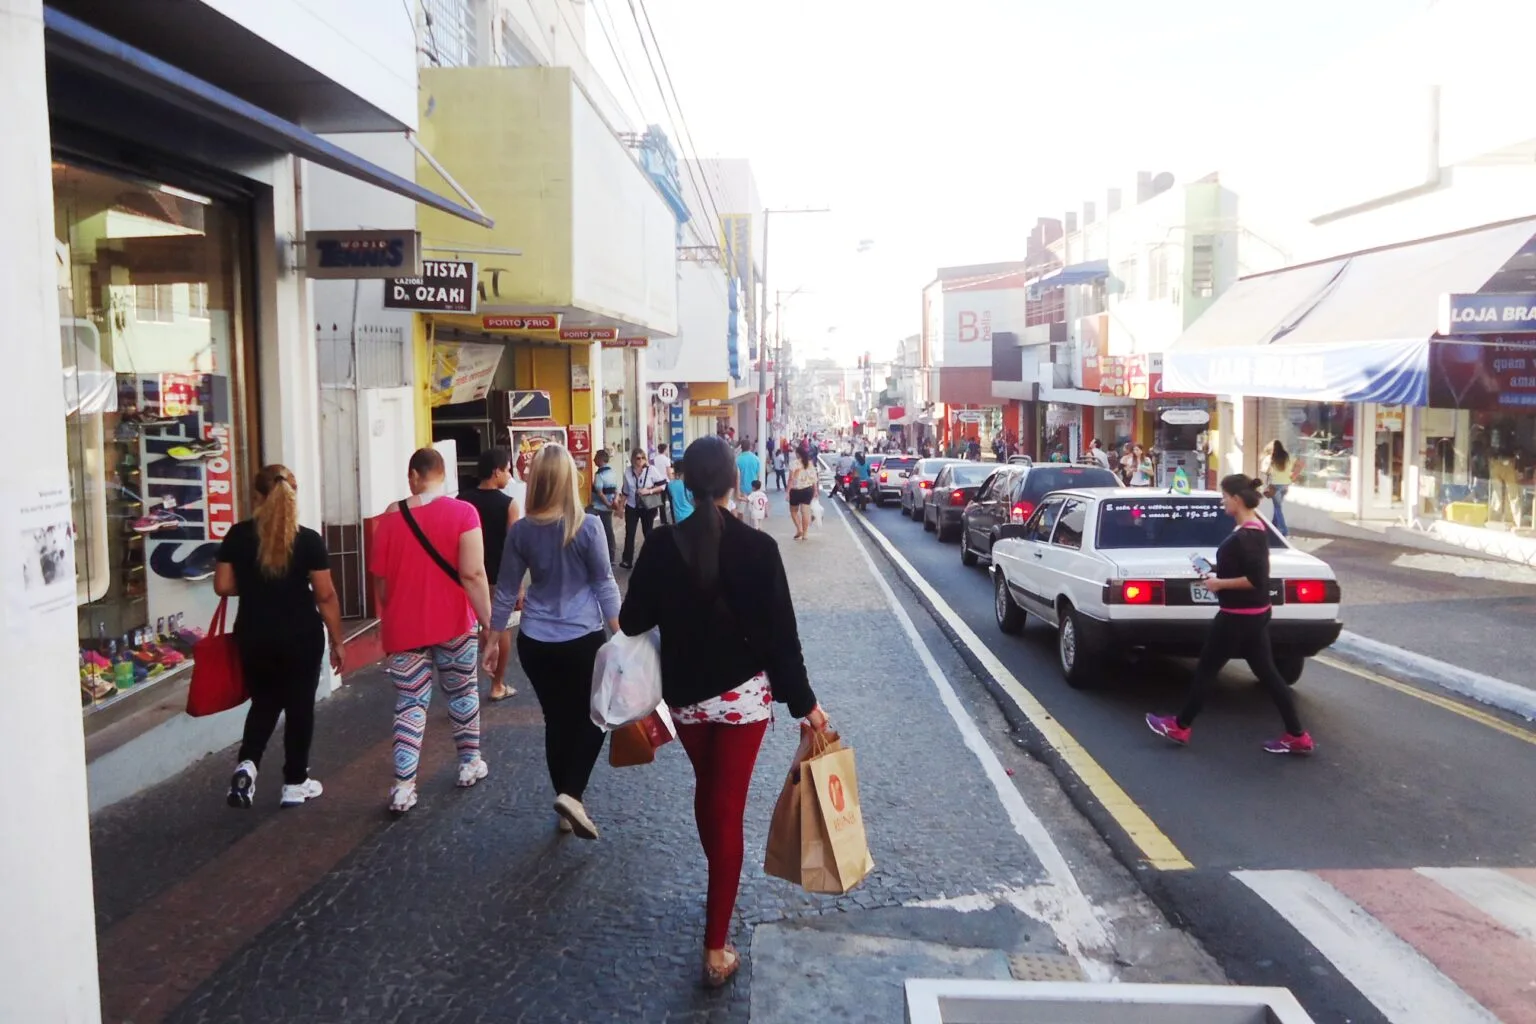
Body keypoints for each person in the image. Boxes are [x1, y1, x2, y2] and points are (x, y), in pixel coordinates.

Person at [618, 436, 829, 988]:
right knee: (727, 806)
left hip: (684, 700)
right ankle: (716, 946)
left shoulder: (662, 546)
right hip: (742, 701)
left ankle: (719, 889)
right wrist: (805, 705)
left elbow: (631, 620)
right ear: (735, 482)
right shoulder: (759, 550)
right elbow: (784, 639)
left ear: (685, 483)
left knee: (710, 793)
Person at [487, 444, 621, 839]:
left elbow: (507, 589)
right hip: (582, 638)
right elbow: (604, 584)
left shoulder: (522, 531)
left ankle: (565, 805)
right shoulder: (587, 527)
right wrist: (622, 634)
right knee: (598, 715)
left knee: (557, 720)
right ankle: (572, 794)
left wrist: (494, 638)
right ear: (569, 481)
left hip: (535, 642)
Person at [1145, 474, 1315, 755]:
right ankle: (1297, 735)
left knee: (1206, 671)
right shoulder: (1253, 530)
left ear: (1236, 500)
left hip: (1237, 617)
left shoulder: (1247, 536)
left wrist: (1218, 583)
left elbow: (1257, 579)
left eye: (1224, 496)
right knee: (1269, 675)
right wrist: (1215, 572)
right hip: (1253, 614)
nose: (1222, 501)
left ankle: (1181, 726)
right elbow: (1245, 571)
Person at [370, 448, 495, 815]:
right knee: (461, 693)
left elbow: (380, 584)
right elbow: (473, 575)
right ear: (445, 476)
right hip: (454, 623)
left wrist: (395, 609)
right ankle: (470, 763)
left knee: (410, 703)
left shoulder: (388, 521)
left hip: (404, 629)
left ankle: (403, 786)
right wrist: (490, 624)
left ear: (413, 476)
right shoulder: (464, 514)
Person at [216, 465, 345, 809]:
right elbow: (326, 595)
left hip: (254, 633)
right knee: (300, 705)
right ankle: (295, 782)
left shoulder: (237, 535)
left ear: (256, 497)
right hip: (300, 633)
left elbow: (223, 585)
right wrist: (338, 639)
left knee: (265, 702)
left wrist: (257, 583)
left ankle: (247, 765)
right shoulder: (307, 540)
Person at [460, 448, 521, 702]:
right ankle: (497, 685)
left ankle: (465, 686)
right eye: (507, 469)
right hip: (497, 576)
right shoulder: (509, 504)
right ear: (496, 472)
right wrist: (518, 585)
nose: (509, 475)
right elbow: (514, 547)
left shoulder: (461, 501)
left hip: (465, 573)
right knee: (500, 627)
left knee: (466, 629)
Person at [619, 448, 666, 569]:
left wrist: (649, 491)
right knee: (630, 533)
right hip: (632, 505)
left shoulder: (651, 470)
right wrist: (620, 507)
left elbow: (663, 485)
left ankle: (651, 559)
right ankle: (627, 560)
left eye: (642, 458)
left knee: (648, 532)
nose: (640, 461)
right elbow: (625, 491)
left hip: (647, 506)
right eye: (637, 458)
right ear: (633, 459)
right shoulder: (628, 472)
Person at [589, 449, 621, 563]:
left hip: (599, 506)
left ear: (600, 459)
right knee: (608, 530)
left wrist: (607, 504)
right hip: (610, 505)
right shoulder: (612, 472)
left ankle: (606, 555)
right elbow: (617, 489)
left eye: (596, 458)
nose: (593, 460)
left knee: (597, 528)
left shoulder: (599, 474)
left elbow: (599, 492)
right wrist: (614, 501)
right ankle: (611, 555)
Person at [1262, 440, 1294, 536]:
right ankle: (1274, 525)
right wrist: (1293, 476)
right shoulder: (1287, 457)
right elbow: (1297, 464)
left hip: (1275, 485)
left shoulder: (1271, 458)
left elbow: (1266, 471)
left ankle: (1284, 530)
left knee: (1277, 507)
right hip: (1285, 485)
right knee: (1278, 506)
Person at [787, 447, 819, 540]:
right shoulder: (810, 464)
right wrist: (815, 490)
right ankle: (805, 534)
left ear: (797, 454)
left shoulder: (794, 464)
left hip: (795, 491)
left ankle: (799, 529)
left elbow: (790, 479)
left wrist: (787, 491)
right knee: (805, 513)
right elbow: (814, 479)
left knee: (793, 511)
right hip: (808, 490)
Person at [735, 440, 762, 519]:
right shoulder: (756, 459)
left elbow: (736, 476)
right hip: (754, 488)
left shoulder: (737, 460)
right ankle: (754, 527)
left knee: (740, 511)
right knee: (753, 509)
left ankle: (741, 527)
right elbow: (758, 474)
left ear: (741, 447)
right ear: (750, 447)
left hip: (742, 488)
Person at [667, 456, 696, 522]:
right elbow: (693, 501)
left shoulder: (671, 485)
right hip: (690, 515)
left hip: (677, 517)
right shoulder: (689, 485)